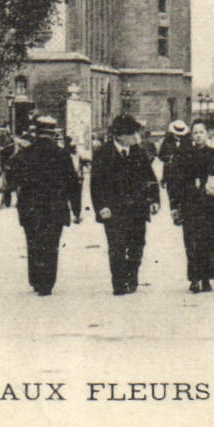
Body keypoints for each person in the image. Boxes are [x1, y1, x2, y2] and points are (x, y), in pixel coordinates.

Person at [7, 115, 80, 296]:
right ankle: (47, 282)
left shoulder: (24, 153)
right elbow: (73, 183)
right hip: (56, 206)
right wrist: (76, 209)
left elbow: (11, 178)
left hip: (30, 207)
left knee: (33, 242)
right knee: (51, 243)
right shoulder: (62, 154)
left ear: (36, 132)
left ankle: (35, 279)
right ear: (53, 132)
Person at [89, 114, 160, 295]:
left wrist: (154, 200)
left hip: (137, 209)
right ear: (119, 136)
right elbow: (96, 185)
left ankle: (132, 276)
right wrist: (101, 207)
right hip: (114, 211)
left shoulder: (138, 152)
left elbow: (150, 178)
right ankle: (119, 283)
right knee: (117, 246)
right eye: (131, 134)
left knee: (137, 245)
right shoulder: (103, 154)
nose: (135, 137)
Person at [166, 121, 214, 292]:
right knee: (192, 241)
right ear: (191, 136)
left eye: (201, 132)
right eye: (195, 133)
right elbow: (174, 181)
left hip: (212, 205)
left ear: (207, 134)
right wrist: (175, 204)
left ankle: (206, 277)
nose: (198, 136)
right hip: (191, 204)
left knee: (209, 241)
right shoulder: (183, 155)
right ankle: (194, 278)